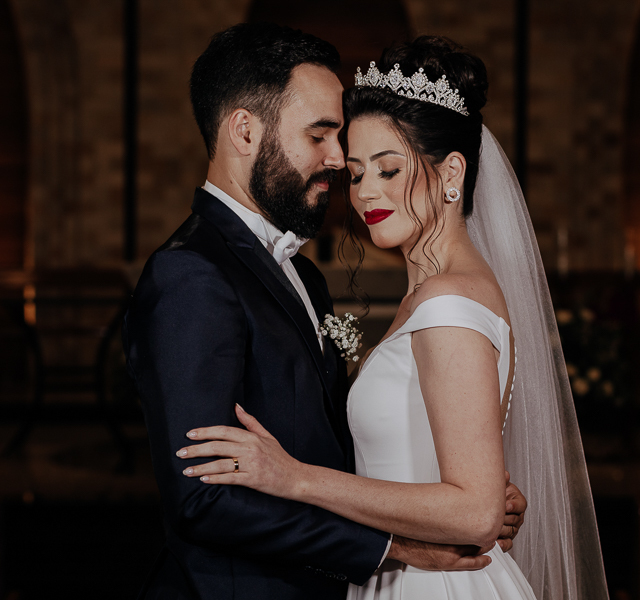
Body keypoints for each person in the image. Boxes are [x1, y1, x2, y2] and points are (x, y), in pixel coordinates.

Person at [179, 36, 609, 600]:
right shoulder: (431, 295)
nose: (365, 194)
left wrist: (295, 477)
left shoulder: (448, 301)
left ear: (451, 170)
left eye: (388, 169)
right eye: (356, 174)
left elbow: (475, 513)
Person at [123, 24, 525, 600]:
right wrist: (399, 545)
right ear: (244, 130)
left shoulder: (305, 277)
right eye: (321, 135)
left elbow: (333, 440)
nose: (340, 165)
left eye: (375, 164)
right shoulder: (190, 273)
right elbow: (203, 497)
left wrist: (463, 497)